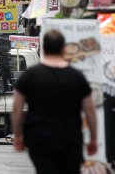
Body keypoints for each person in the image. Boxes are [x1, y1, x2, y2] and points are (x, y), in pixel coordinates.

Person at [11, 30, 97, 174]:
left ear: (43, 48)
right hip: (70, 139)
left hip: (39, 139)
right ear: (64, 48)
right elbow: (89, 110)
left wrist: (18, 135)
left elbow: (16, 108)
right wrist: (93, 138)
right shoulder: (76, 77)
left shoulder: (30, 76)